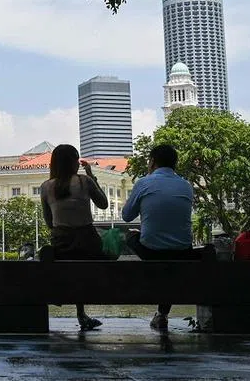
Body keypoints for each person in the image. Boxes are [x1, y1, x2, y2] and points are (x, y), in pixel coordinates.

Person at [120, 143, 194, 334]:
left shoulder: (144, 183)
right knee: (168, 268)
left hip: (152, 252)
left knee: (128, 235)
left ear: (152, 162)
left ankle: (160, 312)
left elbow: (126, 216)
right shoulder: (186, 185)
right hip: (182, 252)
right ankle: (162, 314)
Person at [39, 144, 109, 331]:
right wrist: (92, 175)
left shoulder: (46, 187)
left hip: (62, 246)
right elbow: (103, 204)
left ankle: (80, 313)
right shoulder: (84, 181)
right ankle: (81, 313)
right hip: (89, 246)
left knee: (71, 265)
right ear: (73, 162)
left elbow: (49, 223)